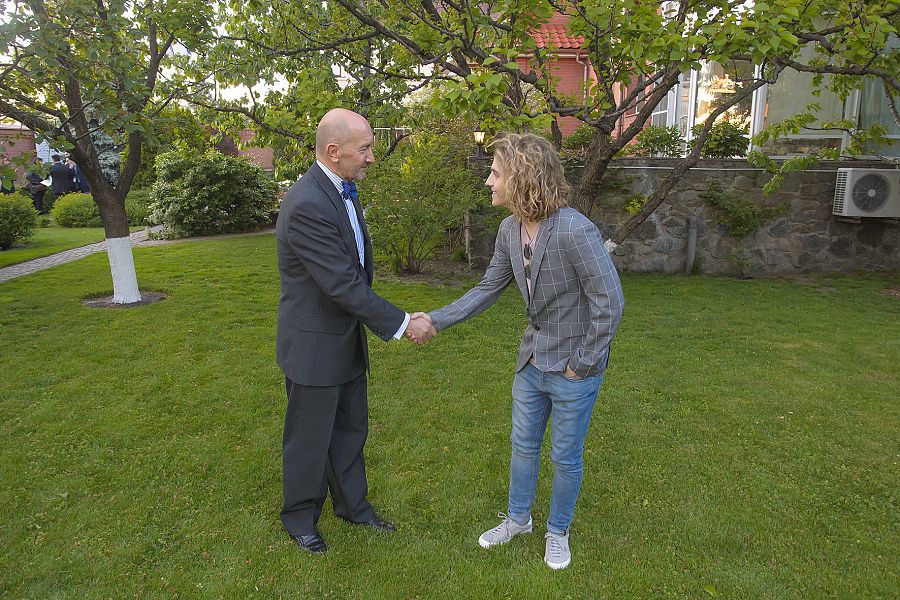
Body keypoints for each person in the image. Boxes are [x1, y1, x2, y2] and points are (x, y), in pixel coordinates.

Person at [416, 133, 624, 570]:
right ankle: (518, 520)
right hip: (530, 362)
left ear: (521, 177)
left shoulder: (574, 229)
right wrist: (435, 319)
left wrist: (583, 364)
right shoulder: (509, 229)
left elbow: (610, 302)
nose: (488, 181)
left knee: (565, 456)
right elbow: (489, 286)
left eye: (495, 173)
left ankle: (557, 531)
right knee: (523, 446)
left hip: (574, 369)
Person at [275, 108, 433, 555]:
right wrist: (403, 323)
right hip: (313, 344)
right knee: (310, 437)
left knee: (349, 431)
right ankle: (300, 518)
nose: (371, 157)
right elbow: (342, 284)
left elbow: (354, 273)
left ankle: (353, 507)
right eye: (364, 149)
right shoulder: (307, 203)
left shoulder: (343, 189)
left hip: (344, 338)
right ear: (333, 151)